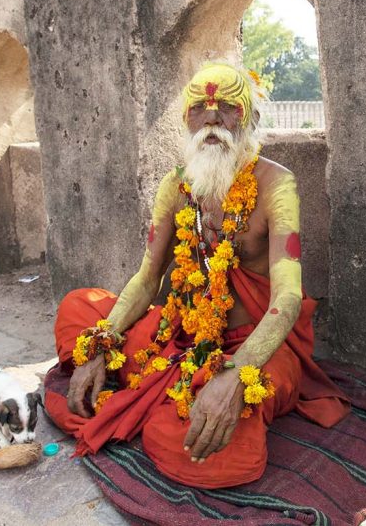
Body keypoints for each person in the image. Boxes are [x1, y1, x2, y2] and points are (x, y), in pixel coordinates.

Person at [44, 61, 349, 489]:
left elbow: (288, 297)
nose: (211, 118)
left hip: (256, 346)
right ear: (186, 120)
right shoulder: (176, 185)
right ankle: (157, 390)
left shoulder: (278, 185)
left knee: (208, 454)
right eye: (199, 109)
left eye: (227, 107)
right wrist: (102, 343)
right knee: (79, 307)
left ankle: (167, 401)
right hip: (183, 332)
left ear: (251, 118)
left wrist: (235, 376)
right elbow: (148, 277)